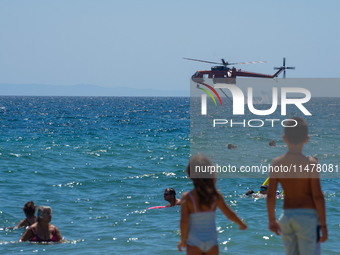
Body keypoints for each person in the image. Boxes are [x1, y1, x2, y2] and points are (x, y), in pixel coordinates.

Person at [266, 117, 327, 255]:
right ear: (307, 138)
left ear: (284, 138)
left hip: (287, 216)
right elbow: (317, 195)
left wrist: (271, 220)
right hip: (307, 217)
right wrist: (323, 225)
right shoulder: (311, 164)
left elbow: (270, 195)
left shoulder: (277, 163)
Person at [178, 154, 247, 254]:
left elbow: (184, 221)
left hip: (194, 241)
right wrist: (241, 223)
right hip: (211, 242)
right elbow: (229, 214)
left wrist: (183, 240)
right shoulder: (215, 196)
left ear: (189, 174)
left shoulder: (188, 197)